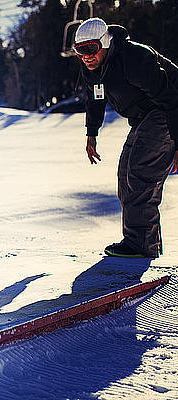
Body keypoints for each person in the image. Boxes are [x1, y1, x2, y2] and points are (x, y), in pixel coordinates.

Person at [74, 17, 178, 258]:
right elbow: (95, 99)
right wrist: (92, 134)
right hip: (145, 115)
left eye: (90, 49)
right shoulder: (92, 68)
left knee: (141, 172)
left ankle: (142, 245)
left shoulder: (133, 58)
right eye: (80, 51)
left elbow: (171, 99)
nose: (86, 56)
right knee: (125, 175)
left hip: (167, 109)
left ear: (105, 43)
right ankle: (138, 241)